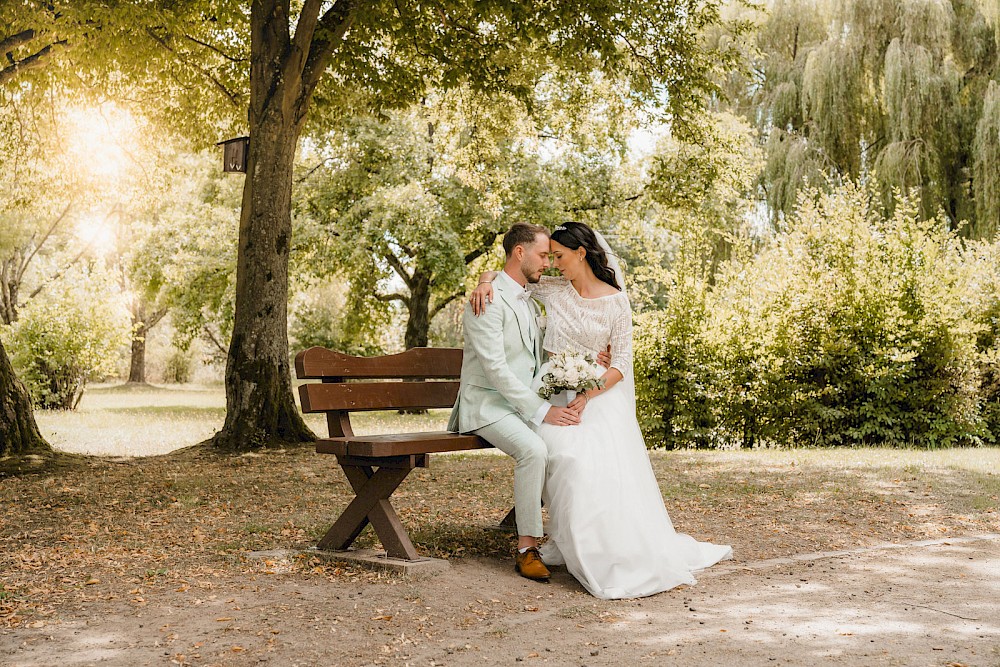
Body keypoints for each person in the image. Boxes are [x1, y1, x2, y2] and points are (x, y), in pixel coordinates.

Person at [470, 221, 732, 599]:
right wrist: (484, 280)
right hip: (550, 390)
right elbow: (512, 276)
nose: (553, 263)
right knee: (561, 455)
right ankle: (569, 540)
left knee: (594, 462)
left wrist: (587, 393)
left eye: (559, 256)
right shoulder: (553, 288)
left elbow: (621, 362)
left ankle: (608, 549)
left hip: (596, 393)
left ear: (580, 253)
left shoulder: (616, 301)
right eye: (549, 256)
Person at [447, 223, 584, 581]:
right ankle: (526, 549)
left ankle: (576, 538)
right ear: (520, 252)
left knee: (569, 447)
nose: (548, 264)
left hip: (520, 405)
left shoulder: (528, 297)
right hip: (486, 405)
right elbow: (495, 369)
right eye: (543, 255)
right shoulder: (487, 300)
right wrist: (543, 410)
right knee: (534, 450)